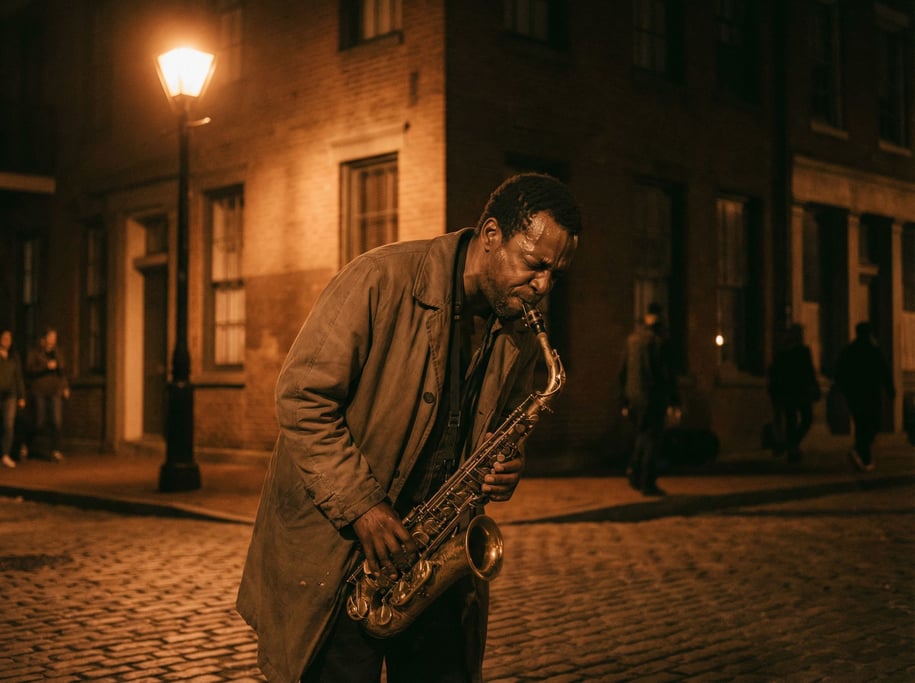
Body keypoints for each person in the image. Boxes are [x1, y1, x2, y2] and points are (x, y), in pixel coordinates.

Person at [236, 173, 582, 683]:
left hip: (432, 560)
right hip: (343, 555)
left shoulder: (522, 335)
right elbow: (301, 398)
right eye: (533, 264)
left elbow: (502, 434)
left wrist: (509, 467)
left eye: (555, 272)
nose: (543, 286)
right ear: (491, 235)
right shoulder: (379, 278)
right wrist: (364, 507)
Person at [618, 302, 681, 497]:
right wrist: (673, 401)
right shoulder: (659, 342)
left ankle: (635, 471)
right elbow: (666, 375)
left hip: (634, 397)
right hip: (653, 397)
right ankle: (646, 480)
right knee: (652, 439)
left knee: (643, 436)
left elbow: (623, 371)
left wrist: (623, 401)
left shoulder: (632, 340)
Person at [835, 321, 896, 472]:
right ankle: (860, 450)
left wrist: (845, 390)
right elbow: (884, 371)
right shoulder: (873, 350)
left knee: (861, 424)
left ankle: (865, 458)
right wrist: (890, 390)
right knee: (873, 425)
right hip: (871, 394)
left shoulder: (849, 351)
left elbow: (840, 373)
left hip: (855, 395)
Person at [766, 323, 820, 462]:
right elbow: (809, 372)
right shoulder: (800, 351)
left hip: (791, 391)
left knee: (794, 420)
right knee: (803, 419)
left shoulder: (784, 352)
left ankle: (791, 446)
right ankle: (792, 446)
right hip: (797, 391)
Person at [25, 327, 70, 462]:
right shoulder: (35, 353)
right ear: (43, 340)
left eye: (54, 338)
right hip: (40, 390)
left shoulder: (58, 353)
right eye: (50, 338)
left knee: (56, 420)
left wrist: (65, 386)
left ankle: (56, 450)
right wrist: (45, 367)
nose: (52, 341)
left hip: (55, 390)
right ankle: (27, 443)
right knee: (40, 420)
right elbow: (29, 370)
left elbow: (62, 371)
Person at [0, 329, 27, 469]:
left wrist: (22, 396)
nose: (7, 341)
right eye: (4, 338)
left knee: (8, 425)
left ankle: (5, 454)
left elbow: (19, 377)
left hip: (10, 394)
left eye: (9, 338)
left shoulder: (14, 357)